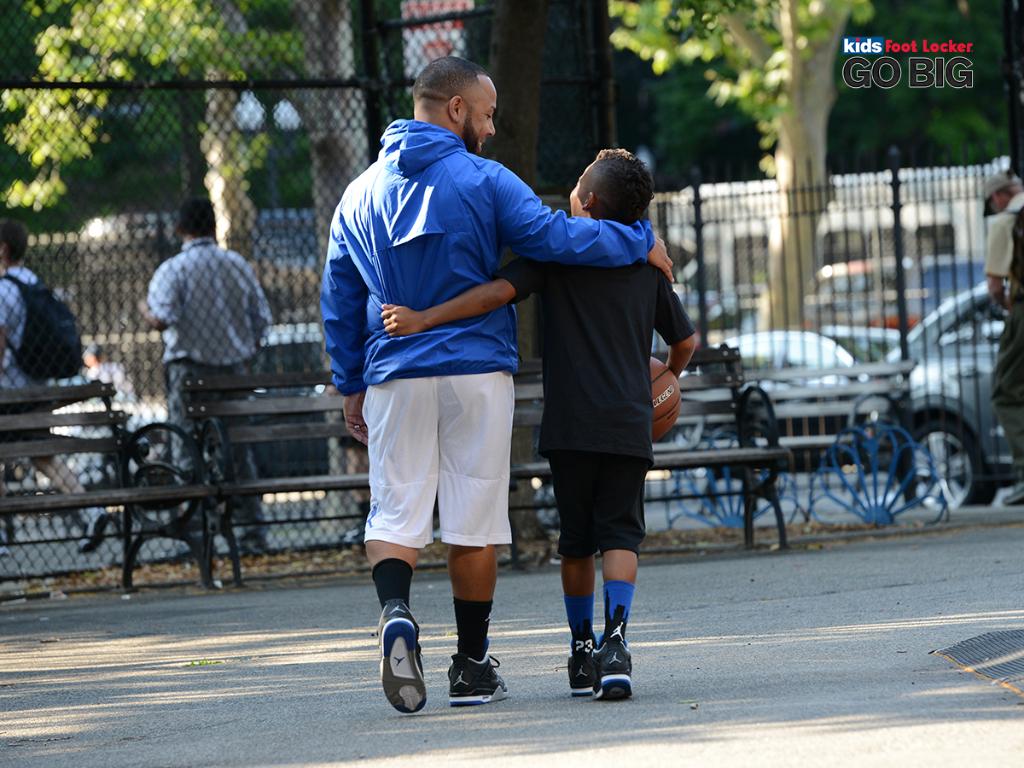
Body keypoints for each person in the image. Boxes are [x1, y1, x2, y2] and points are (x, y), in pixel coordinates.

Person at [321, 56, 673, 714]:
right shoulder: (487, 180)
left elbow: (339, 296)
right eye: (484, 115)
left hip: (393, 371)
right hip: (476, 371)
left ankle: (397, 612)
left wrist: (350, 379)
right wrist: (636, 237)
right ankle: (471, 666)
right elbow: (554, 238)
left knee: (395, 513)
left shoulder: (358, 193)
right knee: (472, 520)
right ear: (455, 109)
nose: (489, 127)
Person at [382, 149, 696, 701]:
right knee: (621, 533)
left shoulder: (554, 256)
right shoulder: (645, 266)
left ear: (588, 201)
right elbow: (686, 341)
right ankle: (616, 645)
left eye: (578, 183)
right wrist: (662, 383)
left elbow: (493, 295)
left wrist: (424, 318)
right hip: (628, 421)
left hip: (571, 425)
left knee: (576, 542)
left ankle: (581, 653)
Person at [140, 198, 273, 552]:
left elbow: (162, 317)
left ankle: (196, 533)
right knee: (237, 450)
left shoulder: (174, 269)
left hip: (189, 372)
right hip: (232, 369)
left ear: (180, 228)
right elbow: (262, 319)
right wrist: (246, 353)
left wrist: (146, 311)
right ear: (214, 225)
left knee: (187, 448)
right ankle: (252, 533)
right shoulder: (237, 265)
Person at [0, 218, 108, 553]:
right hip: (38, 387)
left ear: (2, 249)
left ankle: (1, 534)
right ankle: (92, 510)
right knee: (44, 456)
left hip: (8, 390)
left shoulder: (4, 289)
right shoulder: (34, 282)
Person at [983, 171, 1024, 504]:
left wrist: (1006, 306)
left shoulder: (1005, 221)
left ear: (998, 197)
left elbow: (995, 286)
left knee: (1006, 392)